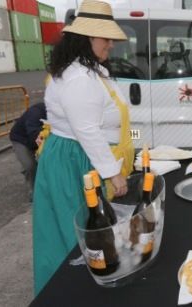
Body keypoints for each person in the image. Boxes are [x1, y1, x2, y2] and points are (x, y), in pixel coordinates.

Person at [32, 0, 135, 295]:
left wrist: (133, 151)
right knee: (74, 240)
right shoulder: (79, 78)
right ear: (87, 37)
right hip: (74, 162)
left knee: (82, 236)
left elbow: (111, 125)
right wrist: (114, 173)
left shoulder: (89, 71)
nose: (112, 45)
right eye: (107, 38)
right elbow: (87, 130)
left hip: (78, 157)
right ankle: (73, 295)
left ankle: (79, 291)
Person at [9, 102, 47, 191]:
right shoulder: (36, 111)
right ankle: (34, 191)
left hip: (39, 139)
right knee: (30, 165)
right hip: (21, 140)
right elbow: (33, 134)